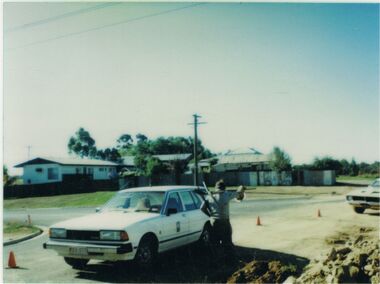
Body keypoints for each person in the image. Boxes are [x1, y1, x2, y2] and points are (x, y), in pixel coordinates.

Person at [209, 180, 245, 255]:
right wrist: (241, 188)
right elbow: (239, 194)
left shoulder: (209, 196)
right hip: (224, 222)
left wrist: (210, 215)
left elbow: (202, 208)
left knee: (216, 243)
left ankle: (217, 259)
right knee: (227, 242)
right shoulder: (227, 194)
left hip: (214, 222)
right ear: (224, 188)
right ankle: (228, 259)